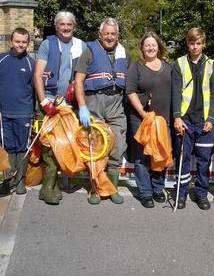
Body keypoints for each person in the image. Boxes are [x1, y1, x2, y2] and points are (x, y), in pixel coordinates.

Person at [74, 18, 130, 205]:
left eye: (113, 34)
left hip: (116, 104)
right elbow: (79, 81)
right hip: (94, 102)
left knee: (117, 146)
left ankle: (112, 189)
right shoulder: (89, 51)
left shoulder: (125, 53)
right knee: (95, 148)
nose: (110, 37)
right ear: (100, 34)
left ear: (117, 35)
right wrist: (82, 107)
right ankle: (95, 189)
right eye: (106, 33)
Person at [34, 11, 86, 205]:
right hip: (49, 101)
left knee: (65, 146)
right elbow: (38, 75)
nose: (66, 28)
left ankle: (57, 183)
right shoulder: (47, 44)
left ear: (74, 26)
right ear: (56, 26)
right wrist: (43, 102)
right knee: (49, 147)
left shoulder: (80, 46)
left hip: (68, 105)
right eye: (62, 24)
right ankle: (48, 188)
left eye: (69, 25)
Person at [171, 27, 214, 210]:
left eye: (198, 43)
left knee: (204, 161)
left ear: (203, 44)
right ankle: (180, 194)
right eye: (192, 43)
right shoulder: (179, 64)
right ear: (187, 44)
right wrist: (177, 117)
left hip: (205, 121)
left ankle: (201, 194)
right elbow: (175, 93)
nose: (195, 47)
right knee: (182, 159)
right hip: (185, 120)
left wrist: (212, 119)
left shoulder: (213, 65)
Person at [127, 31, 171, 208]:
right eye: (147, 45)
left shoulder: (169, 67)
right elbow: (130, 91)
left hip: (163, 119)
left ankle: (158, 189)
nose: (151, 47)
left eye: (154, 44)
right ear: (142, 49)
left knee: (160, 154)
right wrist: (143, 113)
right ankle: (145, 192)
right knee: (142, 156)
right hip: (141, 118)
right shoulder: (136, 68)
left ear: (159, 47)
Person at [0, 28, 35, 195]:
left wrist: (35, 111)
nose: (20, 45)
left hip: (24, 113)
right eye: (17, 41)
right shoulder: (2, 60)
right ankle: (8, 181)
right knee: (8, 147)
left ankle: (20, 182)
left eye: (24, 42)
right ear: (11, 42)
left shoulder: (31, 63)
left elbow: (36, 89)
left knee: (22, 148)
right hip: (4, 114)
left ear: (28, 43)